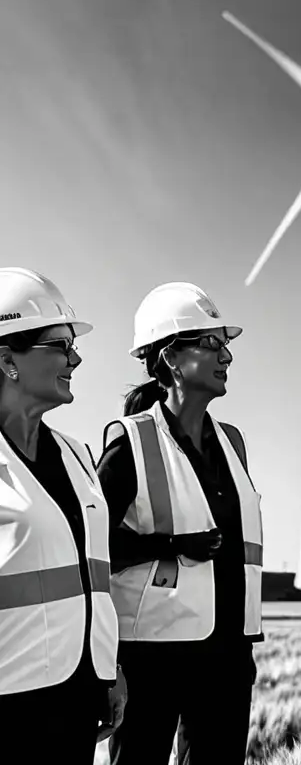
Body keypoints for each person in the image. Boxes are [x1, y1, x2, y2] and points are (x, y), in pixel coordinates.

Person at [98, 282, 264, 765]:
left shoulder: (233, 442)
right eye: (211, 343)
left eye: (225, 344)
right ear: (171, 358)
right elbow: (93, 548)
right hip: (153, 657)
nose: (226, 356)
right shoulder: (130, 443)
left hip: (229, 654)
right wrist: (169, 545)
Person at [0, 268, 125, 762]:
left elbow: (96, 580)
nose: (76, 357)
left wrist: (111, 670)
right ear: (8, 358)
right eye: (59, 344)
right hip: (10, 701)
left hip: (78, 692)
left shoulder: (77, 455)